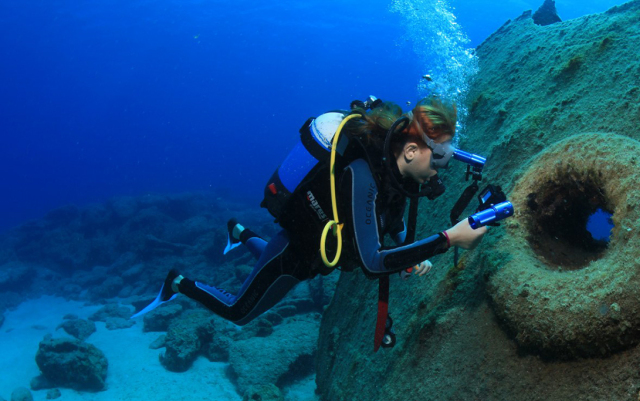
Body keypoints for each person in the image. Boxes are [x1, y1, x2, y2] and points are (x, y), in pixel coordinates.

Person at [134, 96, 488, 347]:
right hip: (298, 249)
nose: (440, 171)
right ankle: (177, 283)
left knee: (277, 263)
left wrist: (410, 253)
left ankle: (239, 233)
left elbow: (390, 218)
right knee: (238, 311)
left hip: (316, 254)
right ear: (411, 151)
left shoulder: (399, 174)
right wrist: (449, 239)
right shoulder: (364, 175)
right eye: (440, 159)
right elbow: (372, 262)